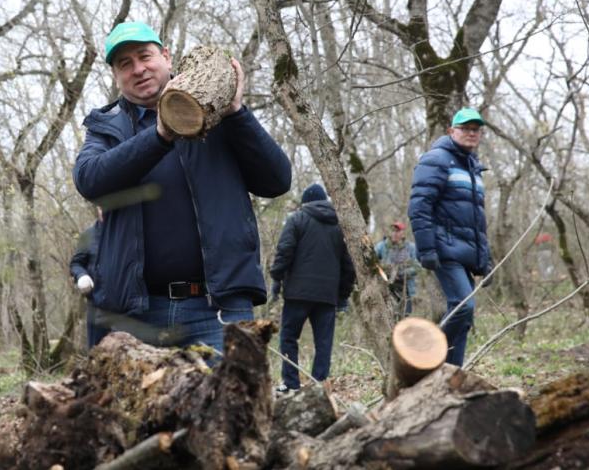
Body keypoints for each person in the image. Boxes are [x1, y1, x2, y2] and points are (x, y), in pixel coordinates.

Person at [73, 21, 291, 355]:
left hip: (217, 308)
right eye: (124, 64)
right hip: (137, 315)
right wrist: (160, 134)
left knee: (229, 407)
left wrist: (236, 113)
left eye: (144, 56)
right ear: (117, 77)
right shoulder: (106, 126)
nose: (138, 69)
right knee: (140, 408)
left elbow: (277, 181)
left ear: (166, 56)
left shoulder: (216, 112)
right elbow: (89, 180)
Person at [408, 107, 492, 367]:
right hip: (444, 249)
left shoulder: (473, 167)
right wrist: (427, 250)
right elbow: (419, 207)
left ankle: (452, 373)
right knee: (462, 306)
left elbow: (477, 222)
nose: (471, 133)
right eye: (465, 129)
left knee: (465, 318)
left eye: (475, 130)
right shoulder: (436, 159)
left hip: (464, 252)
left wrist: (485, 261)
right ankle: (425, 356)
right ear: (451, 131)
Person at [269, 184, 355, 391]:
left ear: (304, 202)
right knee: (323, 343)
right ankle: (318, 385)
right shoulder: (339, 226)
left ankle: (291, 384)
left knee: (289, 338)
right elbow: (348, 267)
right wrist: (343, 296)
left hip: (297, 293)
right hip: (327, 297)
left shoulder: (297, 220)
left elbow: (284, 251)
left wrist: (276, 279)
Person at [69, 212, 105, 347]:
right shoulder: (88, 235)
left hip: (128, 309)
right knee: (96, 355)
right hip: (97, 306)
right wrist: (81, 275)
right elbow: (76, 263)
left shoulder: (128, 234)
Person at [374, 221, 419, 316]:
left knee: (405, 316)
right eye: (393, 231)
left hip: (405, 289)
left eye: (398, 231)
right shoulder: (382, 246)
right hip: (387, 289)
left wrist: (402, 274)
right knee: (390, 316)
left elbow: (418, 267)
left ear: (403, 233)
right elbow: (372, 259)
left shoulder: (411, 247)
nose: (394, 233)